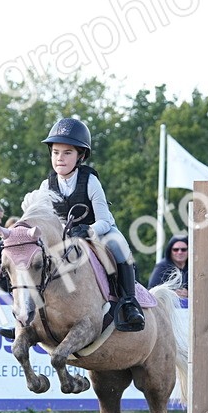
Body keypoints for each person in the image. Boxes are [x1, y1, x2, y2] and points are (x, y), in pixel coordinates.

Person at [39, 117, 144, 331]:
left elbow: (105, 220)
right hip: (64, 239)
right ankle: (27, 316)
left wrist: (89, 230)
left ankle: (129, 303)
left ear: (81, 156)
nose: (60, 158)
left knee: (119, 247)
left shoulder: (90, 181)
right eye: (56, 152)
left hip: (99, 231)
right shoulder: (45, 186)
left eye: (67, 153)